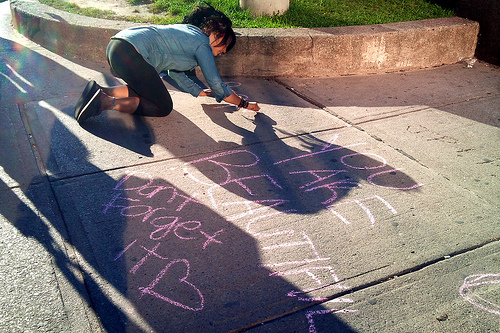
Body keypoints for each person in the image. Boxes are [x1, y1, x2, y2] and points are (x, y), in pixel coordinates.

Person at [74, 4, 260, 123]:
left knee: (148, 91)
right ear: (219, 35)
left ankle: (99, 91)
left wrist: (196, 91)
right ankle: (104, 103)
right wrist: (243, 103)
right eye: (225, 47)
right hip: (132, 53)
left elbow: (174, 71)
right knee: (162, 107)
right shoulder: (202, 44)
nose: (222, 52)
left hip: (117, 46)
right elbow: (216, 84)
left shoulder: (188, 32)